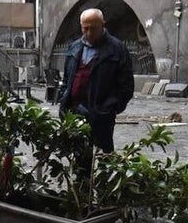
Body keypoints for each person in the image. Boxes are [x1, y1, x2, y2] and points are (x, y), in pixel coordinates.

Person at [57, 8, 134, 154]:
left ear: (103, 25)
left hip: (101, 115)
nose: (89, 33)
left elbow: (126, 86)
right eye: (85, 28)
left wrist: (110, 108)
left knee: (104, 156)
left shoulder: (117, 49)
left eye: (93, 28)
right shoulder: (74, 47)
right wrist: (64, 97)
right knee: (80, 156)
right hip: (75, 112)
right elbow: (67, 78)